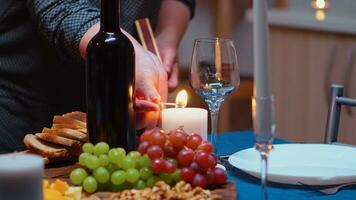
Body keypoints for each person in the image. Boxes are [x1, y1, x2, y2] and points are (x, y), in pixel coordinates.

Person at [0, 0, 195, 153]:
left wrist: (167, 36)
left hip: (111, 113)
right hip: (23, 105)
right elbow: (59, 5)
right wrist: (123, 48)